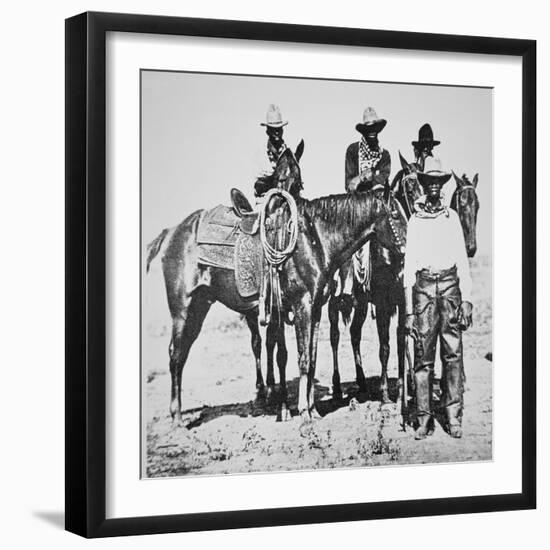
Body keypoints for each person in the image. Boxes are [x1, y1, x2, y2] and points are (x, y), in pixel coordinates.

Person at [403, 156, 473, 440]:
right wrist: (409, 310)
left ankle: (453, 416)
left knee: (453, 353)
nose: (433, 187)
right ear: (424, 185)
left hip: (449, 287)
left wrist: (466, 298)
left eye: (438, 182)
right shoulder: (416, 221)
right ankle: (423, 418)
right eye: (429, 182)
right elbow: (409, 267)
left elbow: (462, 261)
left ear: (442, 185)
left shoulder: (452, 218)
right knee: (422, 355)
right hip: (423, 291)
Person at [345, 107, 391, 192]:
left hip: (377, 199)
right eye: (369, 130)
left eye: (374, 129)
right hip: (357, 200)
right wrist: (362, 177)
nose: (372, 133)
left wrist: (371, 175)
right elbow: (349, 184)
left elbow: (383, 180)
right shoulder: (353, 150)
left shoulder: (384, 155)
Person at [254, 104, 288, 199]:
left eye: (279, 129)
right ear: (267, 131)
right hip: (265, 198)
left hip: (286, 197)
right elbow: (259, 183)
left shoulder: (287, 152)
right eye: (273, 129)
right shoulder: (261, 153)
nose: (277, 132)